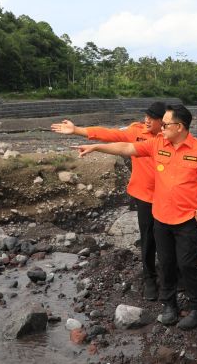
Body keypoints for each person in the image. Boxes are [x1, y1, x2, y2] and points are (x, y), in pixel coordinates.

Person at [73, 104, 197, 330]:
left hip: (187, 221)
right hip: (161, 219)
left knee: (188, 265)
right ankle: (169, 305)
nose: (162, 127)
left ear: (179, 127)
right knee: (167, 263)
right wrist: (95, 147)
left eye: (166, 124)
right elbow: (125, 147)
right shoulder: (157, 144)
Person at [51, 101, 165, 300]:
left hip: (168, 197)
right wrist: (77, 130)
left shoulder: (169, 137)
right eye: (146, 116)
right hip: (145, 196)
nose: (147, 120)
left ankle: (172, 274)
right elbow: (110, 134)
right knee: (148, 238)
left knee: (168, 238)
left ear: (164, 121)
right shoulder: (135, 131)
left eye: (152, 118)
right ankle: (149, 278)